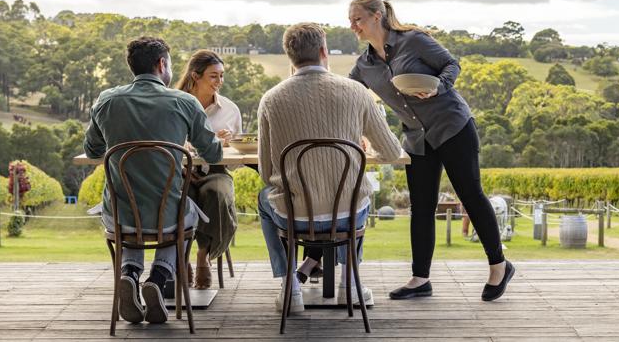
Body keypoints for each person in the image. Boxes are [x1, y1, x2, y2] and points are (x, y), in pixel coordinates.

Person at [347, 0, 514, 302]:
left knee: (470, 195)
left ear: (376, 16)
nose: (353, 26)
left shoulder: (413, 41)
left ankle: (499, 266)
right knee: (421, 207)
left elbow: (452, 64)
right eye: (350, 21)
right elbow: (347, 94)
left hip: (453, 126)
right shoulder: (364, 65)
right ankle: (420, 279)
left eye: (357, 19)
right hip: (416, 138)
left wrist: (438, 86)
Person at [256, 22, 403, 313]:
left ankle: (290, 288)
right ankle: (349, 285)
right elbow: (391, 151)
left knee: (264, 199)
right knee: (357, 195)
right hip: (347, 216)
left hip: (295, 217)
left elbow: (265, 171)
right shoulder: (357, 92)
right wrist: (360, 149)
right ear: (324, 51)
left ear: (290, 57)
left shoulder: (270, 99)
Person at [84, 37, 223, 324]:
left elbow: (92, 151)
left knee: (132, 210)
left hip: (120, 216)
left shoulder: (107, 100)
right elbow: (213, 153)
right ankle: (158, 279)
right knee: (183, 214)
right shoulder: (184, 102)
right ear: (162, 64)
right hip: (167, 216)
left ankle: (130, 273)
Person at [175, 50, 241, 289]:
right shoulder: (174, 104)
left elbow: (234, 163)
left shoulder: (230, 110)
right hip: (179, 172)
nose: (219, 81)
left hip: (215, 171)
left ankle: (203, 256)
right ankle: (180, 257)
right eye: (213, 76)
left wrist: (228, 144)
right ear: (196, 76)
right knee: (179, 197)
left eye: (222, 76)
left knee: (217, 193)